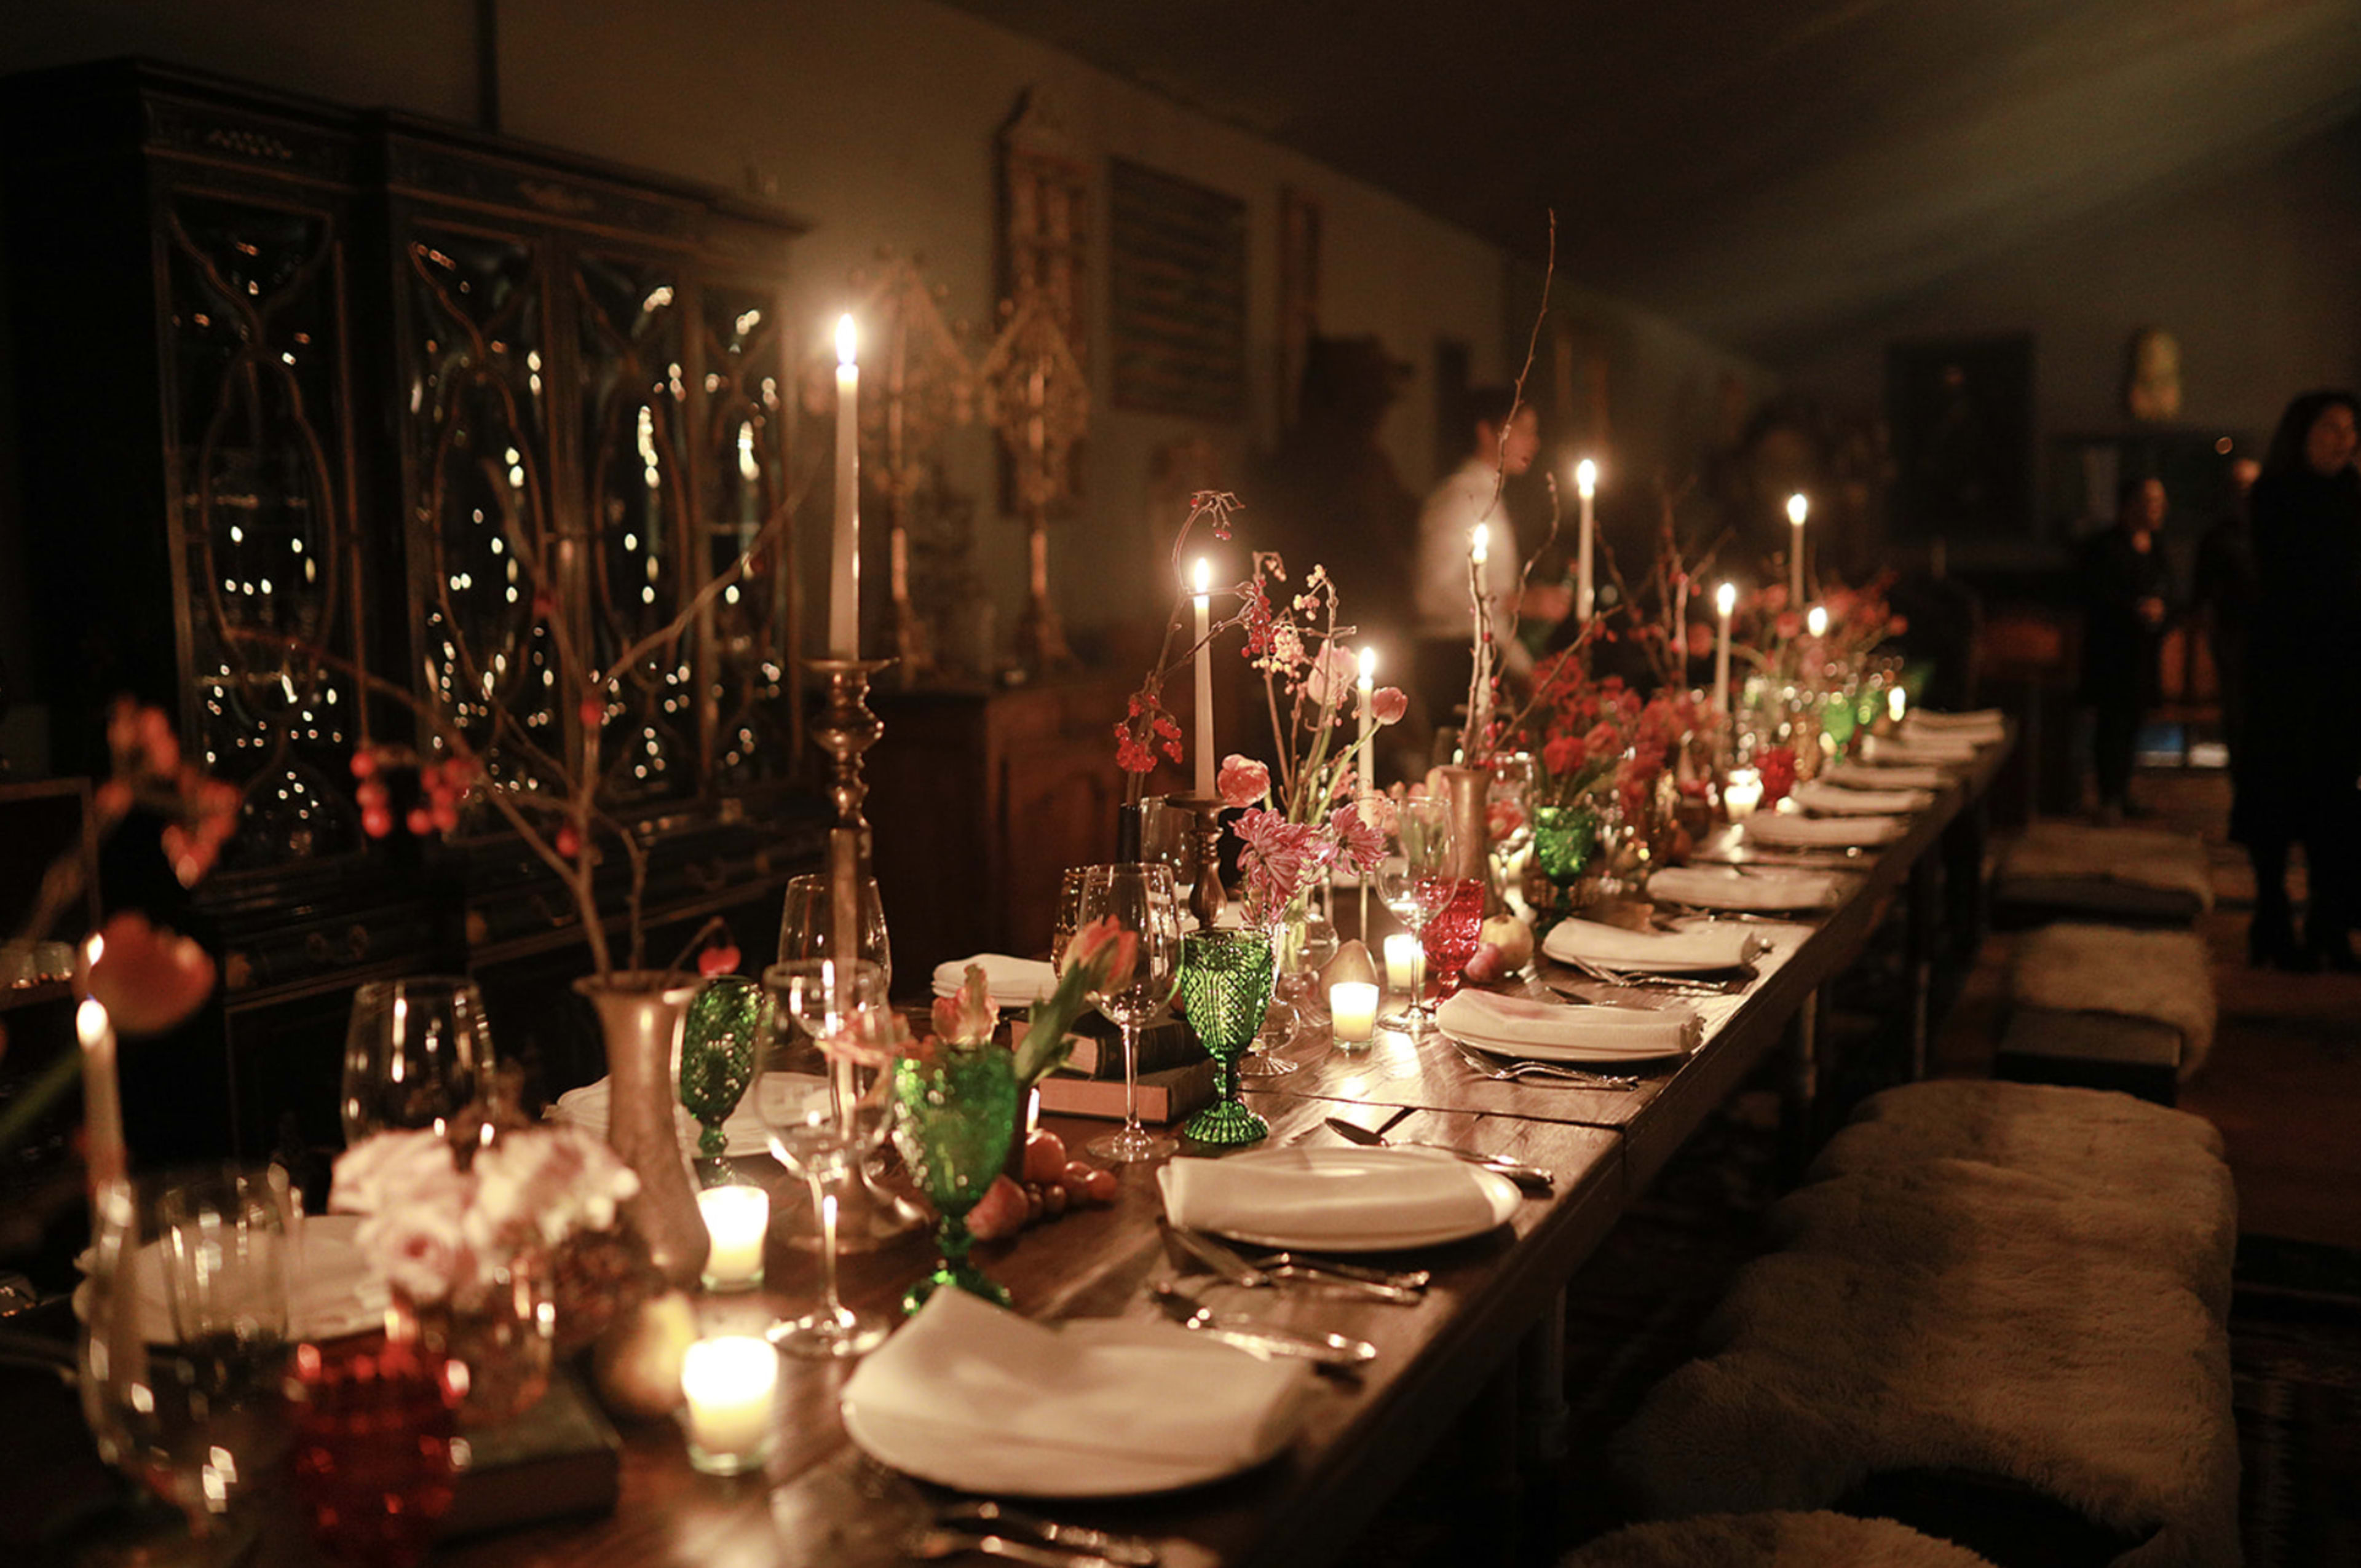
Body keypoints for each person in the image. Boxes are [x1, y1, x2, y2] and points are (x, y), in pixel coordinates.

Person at [2234, 390, 2361, 970]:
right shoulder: (2276, 494)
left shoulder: (2353, 493)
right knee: (2277, 794)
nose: (2344, 440)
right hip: (2286, 666)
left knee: (2336, 800)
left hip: (2341, 668)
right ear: (2302, 434)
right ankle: (2272, 917)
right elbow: (2290, 576)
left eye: (2351, 430)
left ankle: (2330, 922)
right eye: (2331, 428)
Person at [1409, 388, 1565, 747]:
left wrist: (1525, 669)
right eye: (1523, 430)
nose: (1534, 442)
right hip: (1453, 666)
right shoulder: (1459, 498)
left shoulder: (1489, 495)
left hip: (1483, 661)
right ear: (1486, 432)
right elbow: (1432, 596)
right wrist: (1515, 602)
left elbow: (1495, 623)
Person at [2074, 475, 2172, 822]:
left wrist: (2161, 610)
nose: (2159, 509)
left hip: (2143, 651)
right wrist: (2134, 608)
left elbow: (2170, 589)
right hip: (2112, 651)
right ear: (2131, 505)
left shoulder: (2157, 546)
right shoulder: (2106, 547)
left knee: (2134, 723)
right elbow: (2095, 594)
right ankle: (2109, 796)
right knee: (2111, 723)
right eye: (2152, 501)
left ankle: (2123, 791)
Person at [2191, 455, 2261, 771]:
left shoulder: (2279, 531)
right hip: (2233, 633)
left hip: (2275, 634)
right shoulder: (2218, 537)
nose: (2245, 493)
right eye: (2239, 486)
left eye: (2251, 486)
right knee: (2237, 708)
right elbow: (2203, 591)